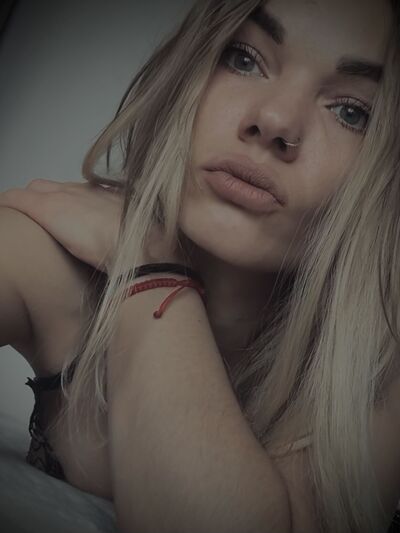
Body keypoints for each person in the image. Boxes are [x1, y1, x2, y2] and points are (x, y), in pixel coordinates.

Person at [0, 0, 399, 531]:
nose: (274, 122)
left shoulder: (382, 365)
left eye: (352, 112)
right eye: (244, 59)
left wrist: (149, 272)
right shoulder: (55, 252)